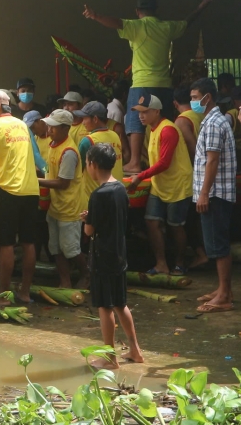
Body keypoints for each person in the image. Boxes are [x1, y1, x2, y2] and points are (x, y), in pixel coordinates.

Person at [83, 0, 212, 173]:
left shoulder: (137, 26)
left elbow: (117, 23)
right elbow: (186, 22)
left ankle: (135, 161)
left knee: (136, 120)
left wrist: (96, 16)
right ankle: (162, 160)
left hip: (142, 84)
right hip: (164, 86)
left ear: (137, 12)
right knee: (162, 122)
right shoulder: (167, 27)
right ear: (155, 11)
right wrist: (201, 6)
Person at [81, 142, 144, 369]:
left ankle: (110, 358)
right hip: (119, 252)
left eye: (87, 163)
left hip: (103, 254)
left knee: (105, 306)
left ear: (93, 165)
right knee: (120, 302)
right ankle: (135, 350)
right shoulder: (119, 188)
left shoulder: (98, 195)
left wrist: (87, 220)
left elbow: (90, 230)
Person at [0, 89, 41, 302]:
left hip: (9, 191)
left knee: (6, 243)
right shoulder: (22, 124)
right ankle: (24, 291)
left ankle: (4, 294)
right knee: (28, 242)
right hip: (32, 190)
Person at [127, 95, 193, 275]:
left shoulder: (167, 130)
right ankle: (161, 263)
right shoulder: (152, 128)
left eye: (145, 112)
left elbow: (164, 162)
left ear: (156, 111)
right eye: (139, 112)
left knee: (175, 225)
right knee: (151, 221)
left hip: (178, 184)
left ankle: (179, 263)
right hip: (160, 184)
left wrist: (140, 176)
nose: (141, 116)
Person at [190, 77, 237, 313]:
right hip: (214, 192)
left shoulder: (213, 123)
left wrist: (204, 193)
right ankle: (221, 289)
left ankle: (225, 295)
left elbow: (213, 160)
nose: (193, 102)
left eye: (196, 98)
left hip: (215, 193)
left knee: (218, 246)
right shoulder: (212, 120)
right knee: (216, 244)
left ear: (207, 98)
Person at [39, 109, 87, 289]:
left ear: (65, 128)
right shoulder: (53, 144)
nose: (49, 129)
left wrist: (37, 181)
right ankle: (64, 281)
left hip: (70, 207)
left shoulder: (69, 152)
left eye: (53, 127)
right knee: (56, 249)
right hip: (56, 207)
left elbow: (63, 183)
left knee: (71, 250)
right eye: (49, 126)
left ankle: (86, 273)